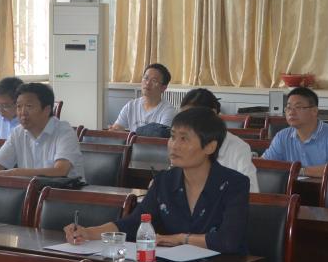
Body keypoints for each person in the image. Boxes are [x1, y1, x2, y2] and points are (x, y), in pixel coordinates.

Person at [65, 107, 249, 254]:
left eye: (184, 139)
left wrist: (179, 239)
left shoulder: (234, 184)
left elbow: (228, 241)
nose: (174, 145)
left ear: (210, 147)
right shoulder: (165, 182)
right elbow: (133, 224)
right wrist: (88, 232)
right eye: (173, 137)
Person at [0, 82, 83, 179]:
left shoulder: (64, 132)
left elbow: (60, 171)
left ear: (47, 110)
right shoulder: (18, 132)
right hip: (32, 193)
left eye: (29, 107)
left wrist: (15, 173)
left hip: (66, 194)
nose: (22, 113)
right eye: (19, 106)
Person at [180, 88, 259, 192]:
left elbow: (251, 191)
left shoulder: (238, 147)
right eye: (183, 118)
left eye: (192, 117)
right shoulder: (183, 144)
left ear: (212, 113)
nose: (186, 124)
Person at [262, 87, 328, 178]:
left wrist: (298, 171)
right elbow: (263, 164)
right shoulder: (282, 136)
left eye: (298, 107)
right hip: (289, 186)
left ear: (314, 111)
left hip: (322, 186)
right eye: (288, 108)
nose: (291, 112)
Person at [109, 63, 177, 132]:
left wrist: (128, 135)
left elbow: (160, 137)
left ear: (163, 88)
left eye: (154, 80)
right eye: (146, 78)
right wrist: (114, 130)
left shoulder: (168, 111)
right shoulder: (131, 106)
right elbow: (116, 128)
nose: (147, 83)